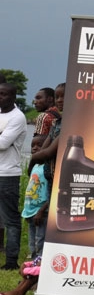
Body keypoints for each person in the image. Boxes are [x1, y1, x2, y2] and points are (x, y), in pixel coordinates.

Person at [0, 83, 28, 269]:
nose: (0, 97)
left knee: (10, 219)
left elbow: (2, 143)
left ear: (13, 97)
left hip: (7, 174)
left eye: (4, 94)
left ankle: (11, 261)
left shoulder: (18, 117)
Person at [22, 135, 49, 262]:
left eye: (39, 145)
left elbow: (51, 191)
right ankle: (33, 260)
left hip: (40, 212)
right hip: (30, 211)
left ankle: (40, 262)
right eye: (32, 145)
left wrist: (42, 210)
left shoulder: (48, 168)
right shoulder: (35, 166)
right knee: (32, 240)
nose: (34, 148)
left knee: (40, 239)